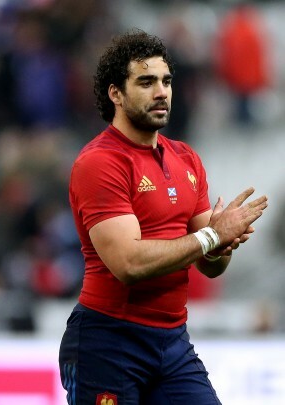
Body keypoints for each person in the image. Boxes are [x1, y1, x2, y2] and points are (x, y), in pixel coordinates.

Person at [59, 29, 267, 405]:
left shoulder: (186, 158)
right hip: (108, 341)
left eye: (167, 81)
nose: (161, 92)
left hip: (172, 342)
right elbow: (128, 263)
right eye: (146, 81)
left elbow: (211, 267)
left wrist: (224, 243)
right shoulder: (100, 162)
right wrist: (211, 237)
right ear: (115, 94)